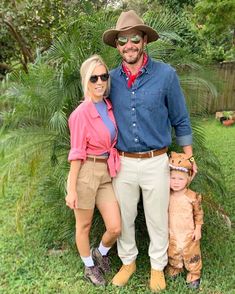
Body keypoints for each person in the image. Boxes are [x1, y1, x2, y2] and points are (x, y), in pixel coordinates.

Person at [102, 10, 197, 292]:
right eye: (122, 41)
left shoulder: (166, 75)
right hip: (123, 162)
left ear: (144, 40)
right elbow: (97, 112)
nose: (128, 45)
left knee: (157, 218)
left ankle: (157, 266)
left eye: (134, 38)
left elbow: (180, 118)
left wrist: (189, 155)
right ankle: (128, 262)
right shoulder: (109, 80)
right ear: (117, 46)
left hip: (157, 161)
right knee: (125, 217)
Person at [65, 54, 121, 286]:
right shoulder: (79, 115)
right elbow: (76, 154)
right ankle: (89, 267)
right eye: (93, 78)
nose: (99, 82)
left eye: (104, 76)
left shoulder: (108, 106)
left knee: (115, 227)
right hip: (86, 171)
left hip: (106, 172)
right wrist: (72, 189)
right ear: (85, 81)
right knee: (84, 225)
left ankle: (100, 253)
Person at [167, 152, 203, 289]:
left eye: (180, 179)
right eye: (173, 178)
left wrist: (198, 228)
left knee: (192, 255)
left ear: (189, 178)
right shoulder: (167, 195)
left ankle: (194, 274)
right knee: (173, 252)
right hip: (172, 232)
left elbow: (198, 214)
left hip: (189, 234)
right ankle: (175, 269)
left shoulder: (192, 196)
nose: (176, 182)